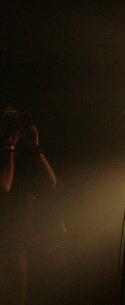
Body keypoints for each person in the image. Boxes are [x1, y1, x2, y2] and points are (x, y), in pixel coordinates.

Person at [0, 108, 57, 305]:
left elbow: (50, 183)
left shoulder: (20, 157)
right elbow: (4, 185)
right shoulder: (6, 154)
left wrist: (36, 147)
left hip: (19, 244)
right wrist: (8, 145)